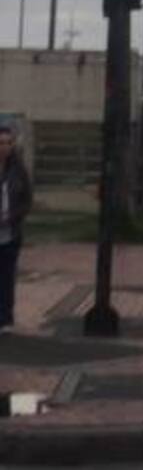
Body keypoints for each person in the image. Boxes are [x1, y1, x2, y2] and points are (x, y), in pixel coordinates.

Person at [0, 126, 33, 332]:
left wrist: (12, 217)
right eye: (0, 142)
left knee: (6, 277)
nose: (3, 147)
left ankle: (5, 318)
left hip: (10, 234)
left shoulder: (18, 170)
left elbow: (26, 200)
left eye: (7, 143)